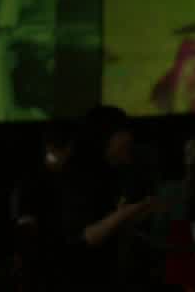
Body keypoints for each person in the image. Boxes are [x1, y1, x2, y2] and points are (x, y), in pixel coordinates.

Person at [61, 106, 160, 289]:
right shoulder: (78, 177)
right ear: (104, 137)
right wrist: (125, 214)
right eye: (122, 132)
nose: (129, 138)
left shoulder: (115, 174)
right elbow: (83, 238)